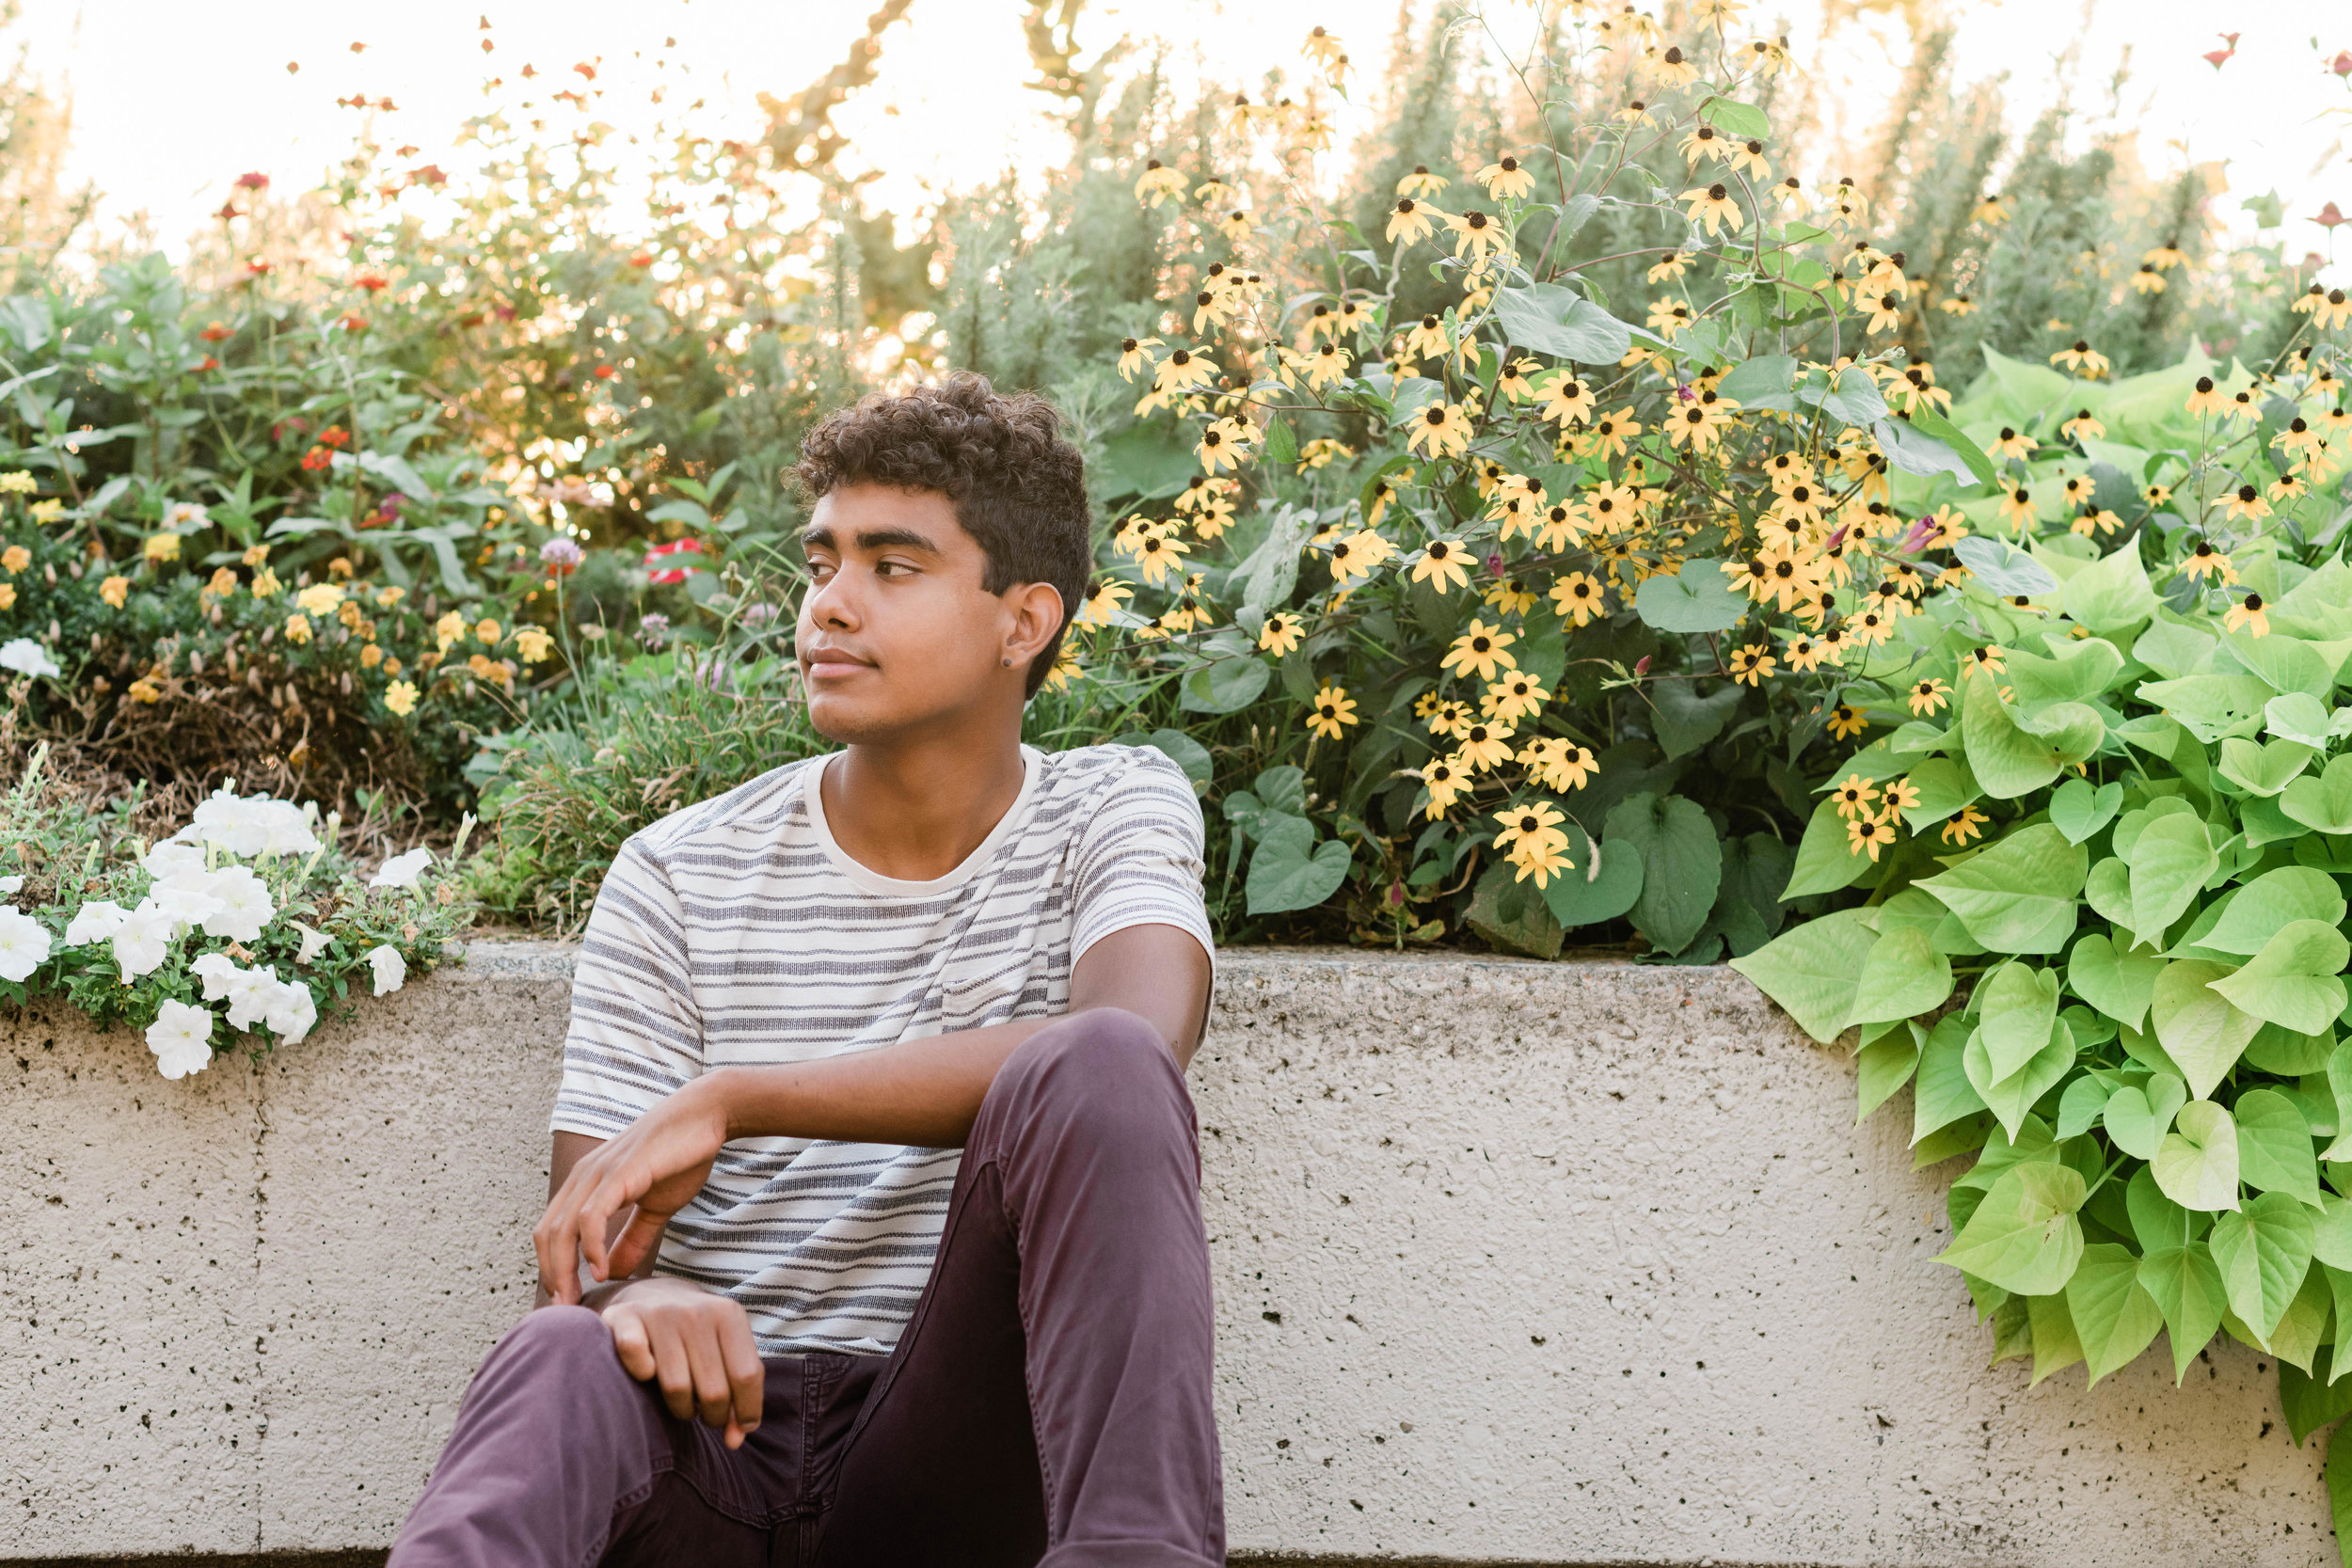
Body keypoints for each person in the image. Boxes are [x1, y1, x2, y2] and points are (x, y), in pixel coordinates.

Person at [390, 372, 1223, 1568]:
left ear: (1022, 620)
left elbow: (1135, 1040)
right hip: (705, 1452)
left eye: (892, 567)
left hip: (952, 1452)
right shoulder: (677, 869)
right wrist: (637, 1304)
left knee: (1095, 1061)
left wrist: (739, 1095)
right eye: (822, 561)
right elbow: (585, 1259)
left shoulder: (1113, 802)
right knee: (562, 1351)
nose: (828, 605)